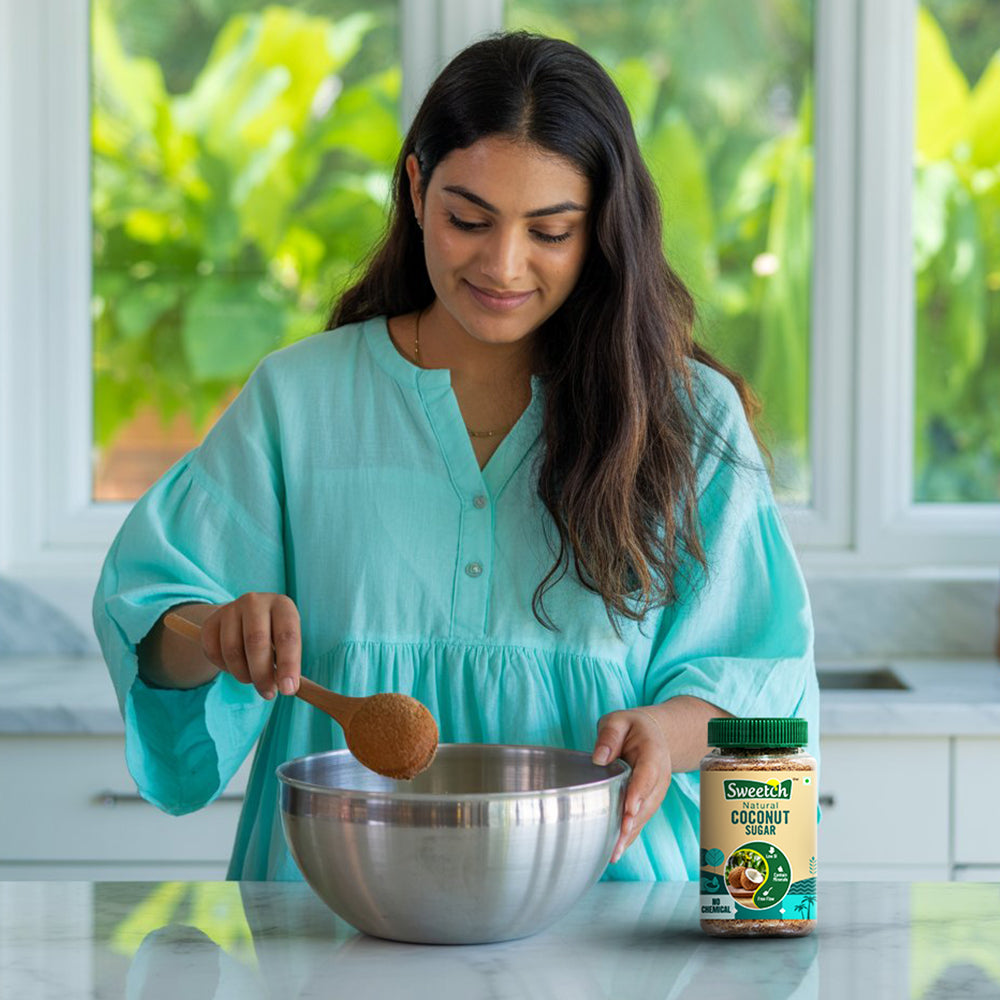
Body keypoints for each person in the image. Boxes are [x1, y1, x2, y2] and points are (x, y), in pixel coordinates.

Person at [93, 32, 818, 881]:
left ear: (603, 229)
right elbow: (150, 616)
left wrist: (669, 730)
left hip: (601, 911)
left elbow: (761, 675)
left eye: (550, 231)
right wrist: (214, 633)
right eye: (468, 220)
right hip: (336, 907)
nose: (503, 265)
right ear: (415, 187)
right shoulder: (299, 400)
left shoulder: (688, 418)